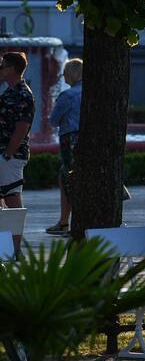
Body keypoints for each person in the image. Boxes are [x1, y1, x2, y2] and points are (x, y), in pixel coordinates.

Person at [0, 52, 34, 252]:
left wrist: (8, 153)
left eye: (2, 66)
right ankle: (5, 248)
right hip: (5, 154)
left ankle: (15, 249)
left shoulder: (22, 93)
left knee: (12, 201)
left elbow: (22, 126)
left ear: (11, 69)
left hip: (10, 156)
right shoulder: (9, 92)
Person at [46, 57, 83, 236]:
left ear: (72, 74)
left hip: (70, 140)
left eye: (65, 73)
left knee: (70, 179)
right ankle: (63, 221)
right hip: (86, 140)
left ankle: (72, 223)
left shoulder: (68, 95)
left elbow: (53, 121)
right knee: (67, 177)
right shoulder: (92, 92)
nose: (63, 76)